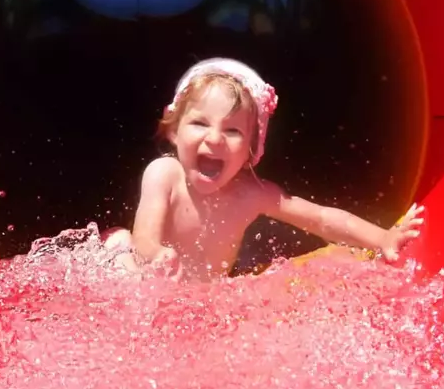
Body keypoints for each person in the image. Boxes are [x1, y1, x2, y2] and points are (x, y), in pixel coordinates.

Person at [103, 58, 424, 280]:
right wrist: (156, 254)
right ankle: (113, 243)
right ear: (173, 131)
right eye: (200, 123)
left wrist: (382, 238)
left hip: (200, 295)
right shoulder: (164, 175)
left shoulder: (251, 194)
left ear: (250, 152)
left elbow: (321, 219)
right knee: (123, 259)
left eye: (232, 131)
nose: (214, 138)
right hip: (145, 274)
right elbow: (146, 237)